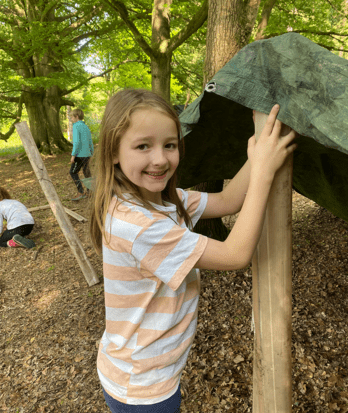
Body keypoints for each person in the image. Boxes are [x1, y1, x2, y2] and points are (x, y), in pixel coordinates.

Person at [89, 89, 297, 413]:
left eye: (169, 145)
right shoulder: (135, 223)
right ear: (114, 152)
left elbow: (228, 201)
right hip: (142, 388)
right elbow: (235, 255)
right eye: (143, 145)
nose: (160, 158)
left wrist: (257, 157)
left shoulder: (165, 202)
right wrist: (264, 172)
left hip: (140, 373)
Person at [70, 108, 94, 201]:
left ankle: (81, 192)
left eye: (72, 116)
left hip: (79, 155)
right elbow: (90, 141)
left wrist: (73, 155)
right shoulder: (85, 126)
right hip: (87, 154)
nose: (71, 119)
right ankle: (90, 192)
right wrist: (91, 152)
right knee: (86, 172)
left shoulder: (76, 126)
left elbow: (76, 142)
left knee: (73, 172)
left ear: (76, 116)